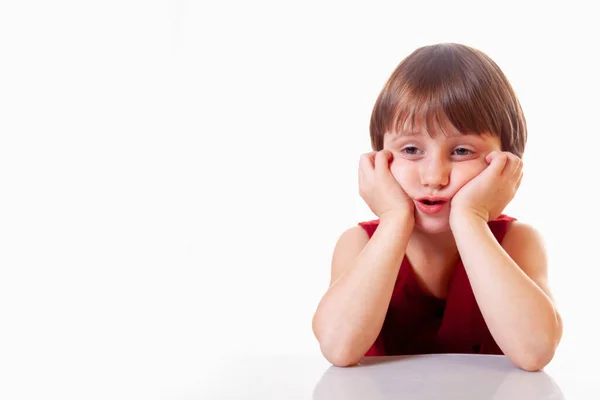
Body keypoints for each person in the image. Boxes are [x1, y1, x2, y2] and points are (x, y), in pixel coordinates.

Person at [311, 43, 563, 372]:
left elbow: (535, 352)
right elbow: (338, 347)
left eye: (461, 151)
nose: (434, 177)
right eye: (412, 149)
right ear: (380, 160)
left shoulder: (518, 241)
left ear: (505, 163)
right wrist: (394, 219)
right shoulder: (359, 243)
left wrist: (470, 218)